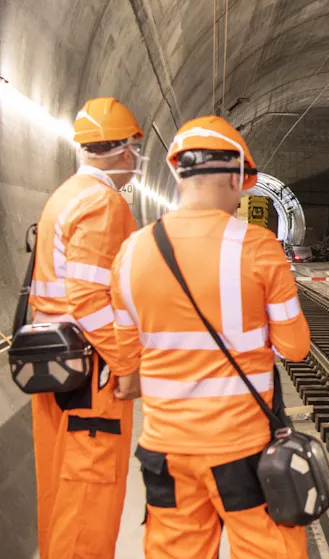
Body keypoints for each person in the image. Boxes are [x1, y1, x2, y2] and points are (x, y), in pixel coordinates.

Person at [109, 115, 311, 559]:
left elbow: (126, 371)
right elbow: (295, 348)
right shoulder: (258, 248)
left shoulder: (131, 252)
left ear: (178, 173)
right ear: (237, 177)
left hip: (166, 449)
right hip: (242, 449)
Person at [29, 97, 145, 559]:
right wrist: (126, 364)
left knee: (59, 492)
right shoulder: (103, 203)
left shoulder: (65, 195)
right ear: (125, 150)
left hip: (55, 366)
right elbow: (89, 298)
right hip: (91, 374)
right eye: (135, 150)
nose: (136, 159)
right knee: (88, 499)